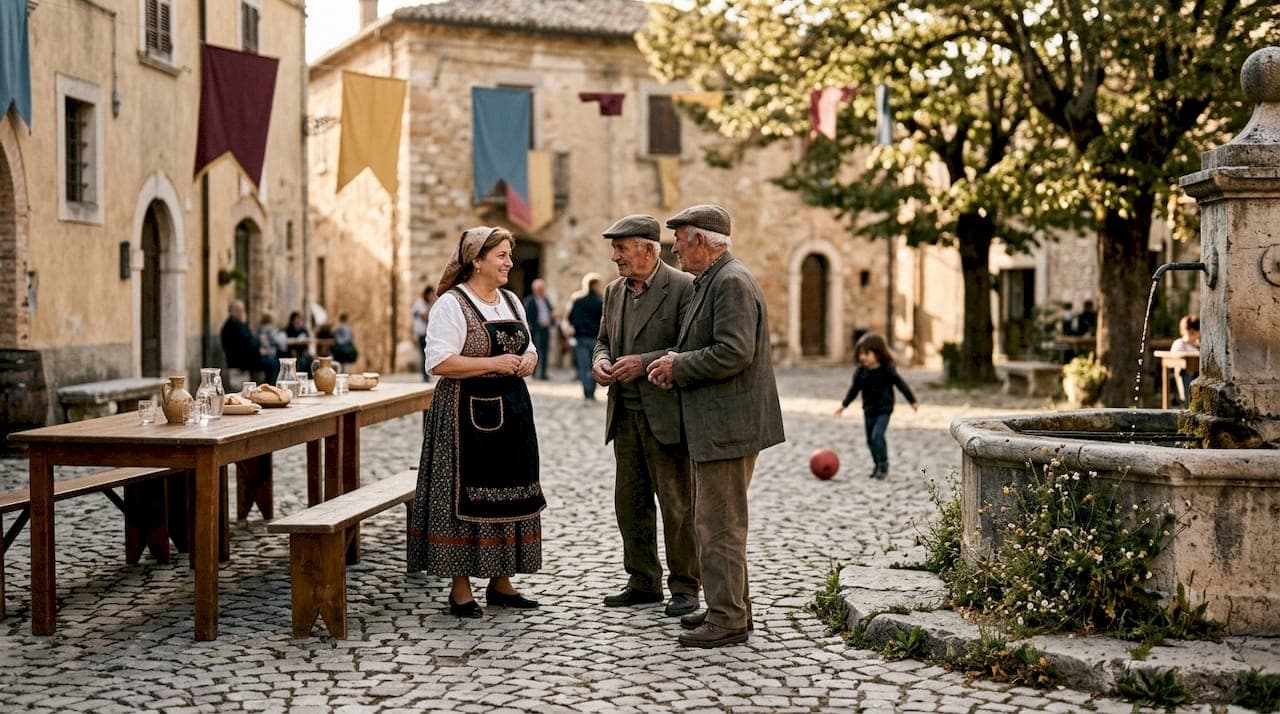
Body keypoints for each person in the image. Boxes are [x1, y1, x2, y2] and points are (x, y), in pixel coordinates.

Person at [646, 204, 785, 648]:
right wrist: (671, 361)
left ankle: (728, 618)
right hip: (719, 424)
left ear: (702, 242)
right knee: (717, 522)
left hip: (729, 426)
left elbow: (733, 351)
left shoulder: (730, 282)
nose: (675, 251)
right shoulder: (716, 279)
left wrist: (678, 365)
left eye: (680, 243)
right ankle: (729, 607)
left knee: (719, 525)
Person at [406, 226, 544, 619]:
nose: (508, 262)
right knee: (464, 494)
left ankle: (502, 582)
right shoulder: (452, 304)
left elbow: (528, 344)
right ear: (476, 261)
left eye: (509, 255)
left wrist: (529, 358)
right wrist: (492, 363)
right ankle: (460, 589)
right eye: (501, 255)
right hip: (465, 415)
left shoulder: (512, 300)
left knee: (510, 489)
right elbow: (438, 361)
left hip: (513, 413)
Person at [591, 214, 699, 618]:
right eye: (614, 248)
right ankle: (642, 581)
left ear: (649, 249)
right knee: (630, 503)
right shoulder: (613, 292)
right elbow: (602, 341)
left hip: (666, 415)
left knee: (677, 504)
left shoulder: (685, 288)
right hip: (624, 415)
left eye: (621, 248)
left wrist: (645, 362)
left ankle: (686, 586)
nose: (614, 256)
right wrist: (600, 363)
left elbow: (688, 347)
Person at [833, 333, 919, 479]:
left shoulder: (887, 369)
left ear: (878, 354)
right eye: (861, 354)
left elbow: (900, 384)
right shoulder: (861, 372)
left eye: (867, 353)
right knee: (870, 440)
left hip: (884, 409)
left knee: (877, 436)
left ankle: (883, 464)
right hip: (869, 410)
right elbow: (854, 390)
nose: (863, 357)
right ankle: (877, 463)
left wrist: (912, 401)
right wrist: (844, 405)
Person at [219, 300, 279, 385]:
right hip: (242, 362)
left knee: (272, 360)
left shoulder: (234, 324)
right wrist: (259, 350)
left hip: (245, 358)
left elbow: (248, 341)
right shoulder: (235, 326)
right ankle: (270, 387)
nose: (243, 313)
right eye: (241, 310)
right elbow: (247, 344)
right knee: (274, 364)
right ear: (236, 311)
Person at [568, 273, 604, 400]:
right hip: (595, 337)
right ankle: (592, 391)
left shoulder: (578, 301)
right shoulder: (601, 302)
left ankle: (586, 391)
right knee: (594, 366)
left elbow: (571, 318)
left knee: (583, 367)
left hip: (581, 337)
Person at [522, 279, 555, 380]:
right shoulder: (530, 300)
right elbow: (526, 316)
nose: (542, 290)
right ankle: (535, 372)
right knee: (535, 351)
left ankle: (543, 373)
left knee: (545, 351)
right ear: (535, 289)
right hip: (536, 330)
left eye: (543, 288)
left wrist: (552, 319)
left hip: (545, 329)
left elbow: (551, 311)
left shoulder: (546, 300)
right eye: (540, 288)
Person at [1170, 314, 1201, 403]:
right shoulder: (1180, 343)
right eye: (1190, 331)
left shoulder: (1197, 345)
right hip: (1184, 374)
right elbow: (1175, 355)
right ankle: (1187, 400)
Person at [411, 285, 438, 382]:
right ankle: (425, 376)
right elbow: (426, 317)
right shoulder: (420, 303)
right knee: (424, 355)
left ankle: (427, 375)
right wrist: (432, 303)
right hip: (422, 334)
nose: (433, 297)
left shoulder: (430, 304)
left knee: (428, 354)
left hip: (429, 334)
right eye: (431, 294)